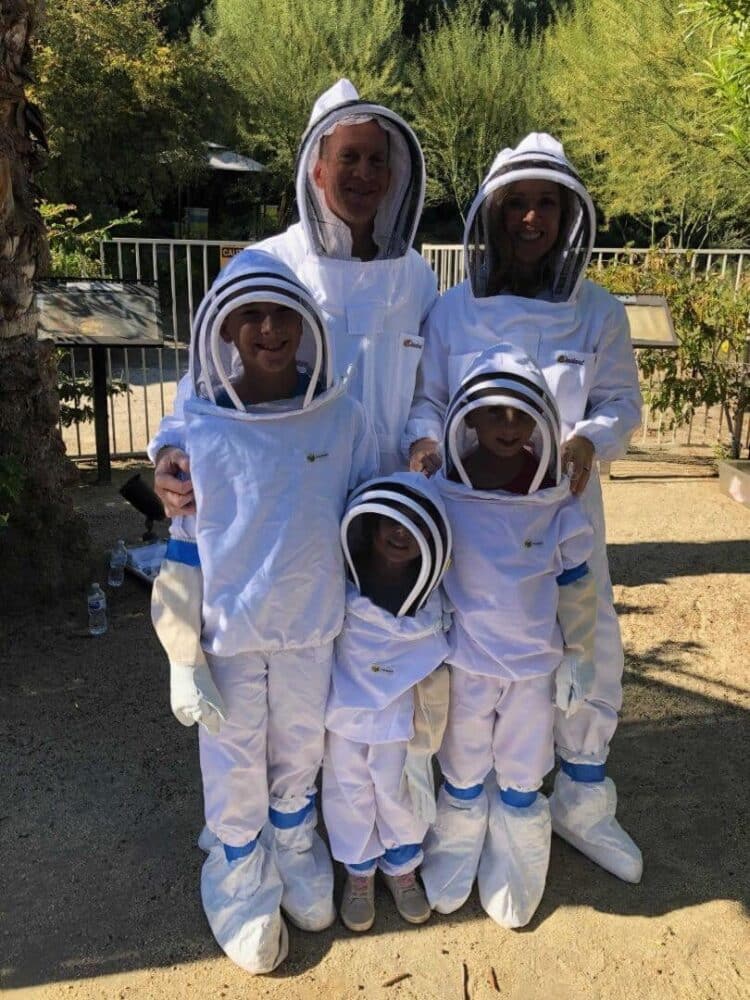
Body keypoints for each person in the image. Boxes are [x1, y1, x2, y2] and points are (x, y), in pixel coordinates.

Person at [405, 133, 644, 884]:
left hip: (565, 516)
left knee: (588, 640)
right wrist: (423, 442)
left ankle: (582, 798)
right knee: (470, 654)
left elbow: (621, 402)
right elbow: (429, 400)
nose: (532, 219)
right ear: (491, 213)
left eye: (547, 204)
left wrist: (591, 440)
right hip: (471, 522)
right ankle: (467, 804)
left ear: (570, 217)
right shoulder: (451, 311)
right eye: (517, 204)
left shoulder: (598, 311)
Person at [150, 249, 378, 973]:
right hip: (230, 634)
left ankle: (292, 841)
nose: (269, 329)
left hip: (313, 626)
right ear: (223, 329)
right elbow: (183, 549)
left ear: (307, 323)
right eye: (250, 315)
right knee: (233, 751)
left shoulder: (342, 418)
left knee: (301, 744)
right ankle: (239, 864)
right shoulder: (199, 428)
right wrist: (183, 656)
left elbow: (366, 515)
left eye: (282, 314)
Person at [151, 77, 438, 513]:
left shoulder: (416, 275)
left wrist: (423, 439)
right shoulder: (268, 263)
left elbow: (426, 388)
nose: (364, 173)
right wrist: (172, 446)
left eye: (376, 160)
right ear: (317, 171)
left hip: (390, 512)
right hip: (293, 502)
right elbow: (210, 375)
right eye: (349, 157)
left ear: (392, 176)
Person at [421, 345, 596, 928]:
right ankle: (455, 851)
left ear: (541, 419)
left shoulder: (553, 499)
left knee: (524, 770)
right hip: (466, 661)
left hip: (532, 668)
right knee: (463, 765)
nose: (509, 425)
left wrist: (578, 654)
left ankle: (517, 861)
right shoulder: (446, 490)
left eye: (521, 414)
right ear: (468, 415)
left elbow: (575, 583)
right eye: (495, 412)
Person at [322, 473, 452, 932]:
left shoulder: (430, 602)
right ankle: (359, 873)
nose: (401, 532)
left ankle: (402, 867)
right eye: (392, 521)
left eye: (414, 522)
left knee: (398, 791)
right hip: (345, 717)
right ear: (370, 527)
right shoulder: (343, 590)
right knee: (348, 791)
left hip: (399, 720)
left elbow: (432, 664)